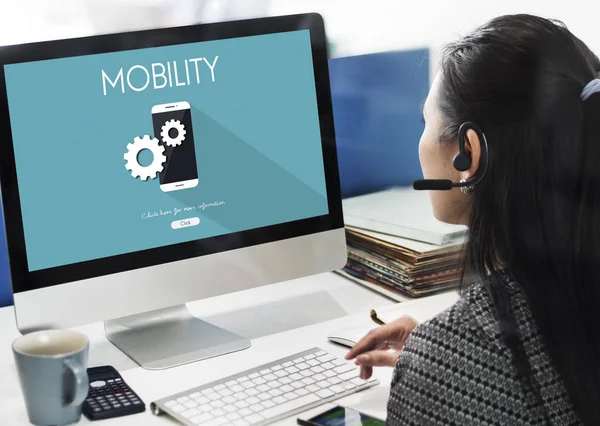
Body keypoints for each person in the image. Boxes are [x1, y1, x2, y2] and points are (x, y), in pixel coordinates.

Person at [346, 14, 600, 425]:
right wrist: (454, 347)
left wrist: (446, 358)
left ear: (468, 153)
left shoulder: (448, 360)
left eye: (425, 123)